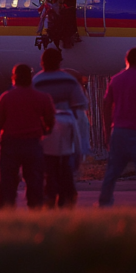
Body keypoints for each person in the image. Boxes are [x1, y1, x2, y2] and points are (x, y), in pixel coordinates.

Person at [98, 47, 136, 207]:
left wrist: (107, 132)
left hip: (119, 130)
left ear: (126, 59)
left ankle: (104, 202)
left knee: (112, 171)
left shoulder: (116, 79)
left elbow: (106, 105)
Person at [0, 64, 56, 210]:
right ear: (30, 78)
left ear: (14, 78)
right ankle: (35, 209)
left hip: (10, 144)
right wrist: (44, 131)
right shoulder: (42, 97)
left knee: (7, 181)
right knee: (35, 180)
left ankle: (6, 210)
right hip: (32, 143)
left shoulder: (6, 97)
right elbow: (50, 120)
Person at [33, 48, 88, 208]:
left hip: (45, 128)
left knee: (49, 164)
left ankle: (50, 195)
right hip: (67, 125)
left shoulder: (37, 81)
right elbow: (80, 104)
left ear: (42, 62)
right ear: (60, 62)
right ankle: (67, 197)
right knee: (66, 164)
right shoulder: (69, 80)